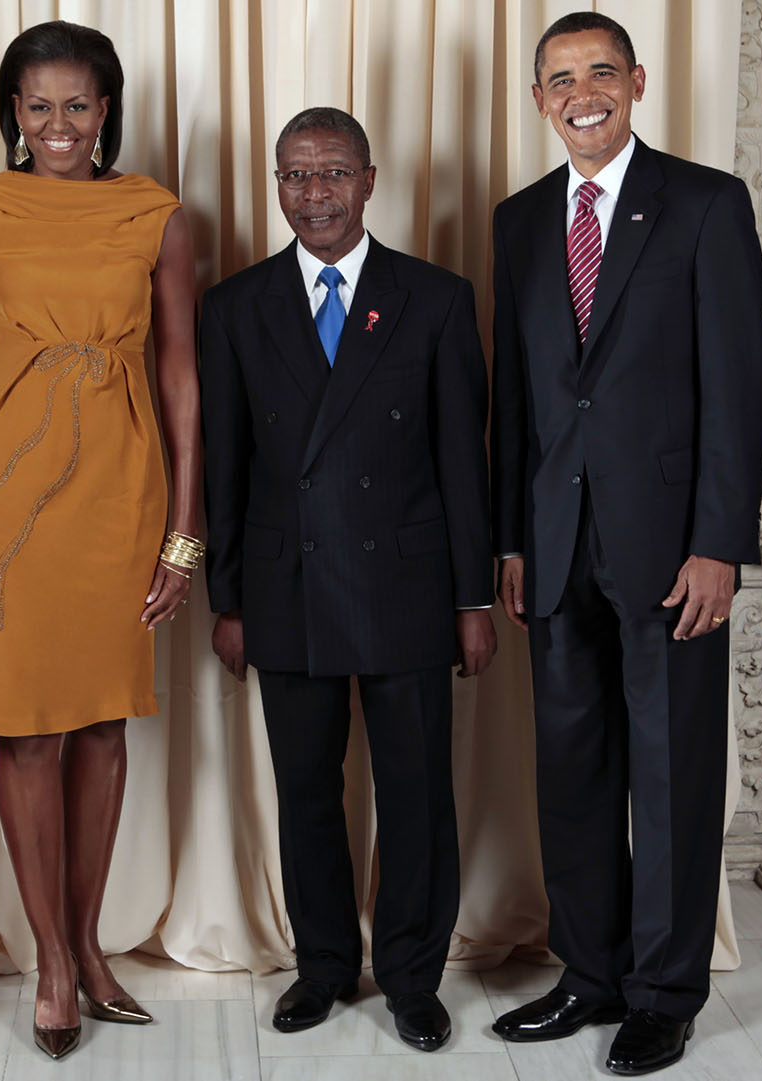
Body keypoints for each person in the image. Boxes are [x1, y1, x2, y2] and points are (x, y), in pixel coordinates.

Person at [487, 12, 762, 1077]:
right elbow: (518, 397)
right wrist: (513, 537)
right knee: (571, 772)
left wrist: (719, 545)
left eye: (601, 71)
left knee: (671, 774)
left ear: (638, 82)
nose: (582, 92)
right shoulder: (518, 222)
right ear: (539, 100)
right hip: (555, 548)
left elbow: (739, 393)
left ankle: (664, 992)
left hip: (671, 554)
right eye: (561, 78)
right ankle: (591, 975)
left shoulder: (704, 204)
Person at [0, 20, 201, 1062]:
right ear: (13, 115)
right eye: (38, 107)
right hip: (8, 496)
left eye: (78, 105)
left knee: (101, 727)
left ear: (108, 109)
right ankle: (48, 958)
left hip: (121, 489)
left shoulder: (159, 216)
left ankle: (86, 943)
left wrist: (184, 531)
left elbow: (182, 374)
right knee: (27, 730)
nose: (59, 126)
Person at [199, 107, 495, 1053]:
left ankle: (412, 975)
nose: (314, 192)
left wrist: (473, 600)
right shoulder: (235, 306)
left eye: (333, 173)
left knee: (416, 794)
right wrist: (230, 600)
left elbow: (465, 462)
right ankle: (324, 966)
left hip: (408, 586)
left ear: (370, 181)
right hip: (288, 589)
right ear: (275, 185)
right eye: (295, 174)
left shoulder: (436, 297)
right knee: (305, 790)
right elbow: (226, 469)